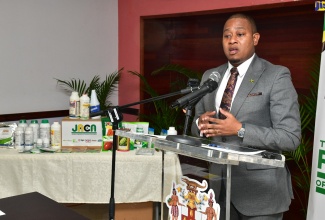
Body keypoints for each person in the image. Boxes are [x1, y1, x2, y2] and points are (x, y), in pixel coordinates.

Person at [191, 13, 301, 220]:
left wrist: (239, 129)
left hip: (260, 195)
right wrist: (200, 123)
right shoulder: (210, 76)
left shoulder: (276, 75)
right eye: (226, 36)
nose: (232, 40)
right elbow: (197, 124)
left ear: (255, 38)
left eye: (240, 34)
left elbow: (290, 137)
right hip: (218, 191)